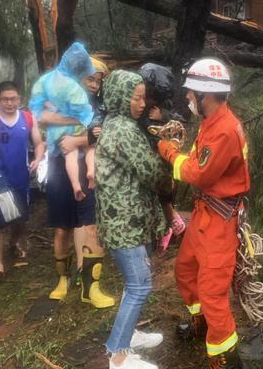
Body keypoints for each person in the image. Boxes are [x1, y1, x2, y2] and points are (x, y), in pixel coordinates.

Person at [157, 58, 250, 369]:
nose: (187, 98)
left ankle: (225, 356)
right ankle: (202, 325)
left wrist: (168, 151)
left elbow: (199, 174)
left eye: (190, 93)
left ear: (205, 94)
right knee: (185, 270)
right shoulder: (211, 122)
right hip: (205, 214)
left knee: (212, 292)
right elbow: (199, 163)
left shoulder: (224, 130)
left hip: (219, 222)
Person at [96, 69, 171, 369]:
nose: (142, 103)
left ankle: (130, 334)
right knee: (140, 286)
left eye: (143, 97)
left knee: (133, 284)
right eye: (135, 98)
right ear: (119, 97)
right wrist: (172, 176)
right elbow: (151, 171)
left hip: (128, 219)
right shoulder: (123, 131)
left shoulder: (118, 124)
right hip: (124, 223)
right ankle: (118, 355)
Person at [39, 53, 114, 309]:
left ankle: (90, 286)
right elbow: (47, 124)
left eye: (98, 81)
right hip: (60, 169)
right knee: (63, 228)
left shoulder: (102, 107)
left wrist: (78, 141)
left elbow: (105, 136)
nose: (93, 85)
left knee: (89, 226)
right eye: (89, 79)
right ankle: (62, 279)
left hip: (89, 169)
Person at [0, 81, 45, 285]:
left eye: (13, 99)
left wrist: (37, 159)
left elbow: (39, 144)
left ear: (19, 99)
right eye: (5, 99)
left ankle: (13, 243)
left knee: (19, 220)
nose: (9, 103)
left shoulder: (28, 119)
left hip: (20, 177)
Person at [30, 42, 96, 202]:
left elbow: (37, 106)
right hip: (78, 128)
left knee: (70, 155)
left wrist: (51, 109)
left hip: (56, 132)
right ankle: (91, 171)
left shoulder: (45, 81)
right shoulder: (74, 87)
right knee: (90, 148)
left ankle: (76, 185)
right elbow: (84, 113)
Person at [137, 63, 186, 251]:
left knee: (166, 189)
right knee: (155, 193)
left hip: (163, 153)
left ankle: (169, 225)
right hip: (145, 153)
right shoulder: (138, 100)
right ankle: (165, 226)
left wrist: (162, 116)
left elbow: (178, 122)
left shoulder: (161, 103)